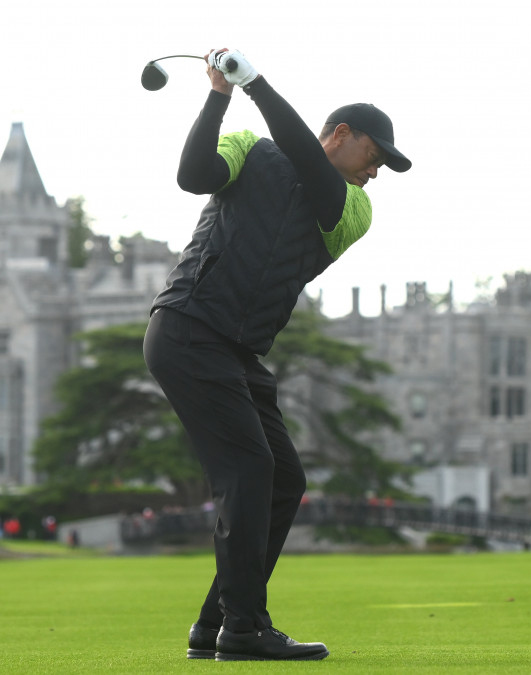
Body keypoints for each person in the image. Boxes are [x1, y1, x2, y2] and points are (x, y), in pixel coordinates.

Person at [142, 48, 410, 662]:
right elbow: (193, 175)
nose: (375, 174)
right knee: (250, 471)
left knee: (283, 478)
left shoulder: (352, 209)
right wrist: (220, 95)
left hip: (237, 351)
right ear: (341, 134)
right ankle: (244, 629)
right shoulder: (247, 148)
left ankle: (217, 622)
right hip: (188, 328)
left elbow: (313, 175)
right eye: (374, 158)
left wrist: (258, 84)